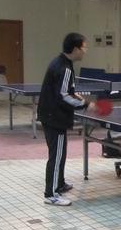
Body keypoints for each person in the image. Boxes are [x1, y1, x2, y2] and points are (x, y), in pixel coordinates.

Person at [37, 32, 95, 206]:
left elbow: (67, 91)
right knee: (56, 155)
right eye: (84, 47)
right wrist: (85, 105)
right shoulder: (64, 68)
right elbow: (63, 96)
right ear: (76, 49)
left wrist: (78, 97)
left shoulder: (62, 62)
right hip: (54, 117)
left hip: (50, 114)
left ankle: (60, 183)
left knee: (60, 152)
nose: (85, 51)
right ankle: (51, 194)